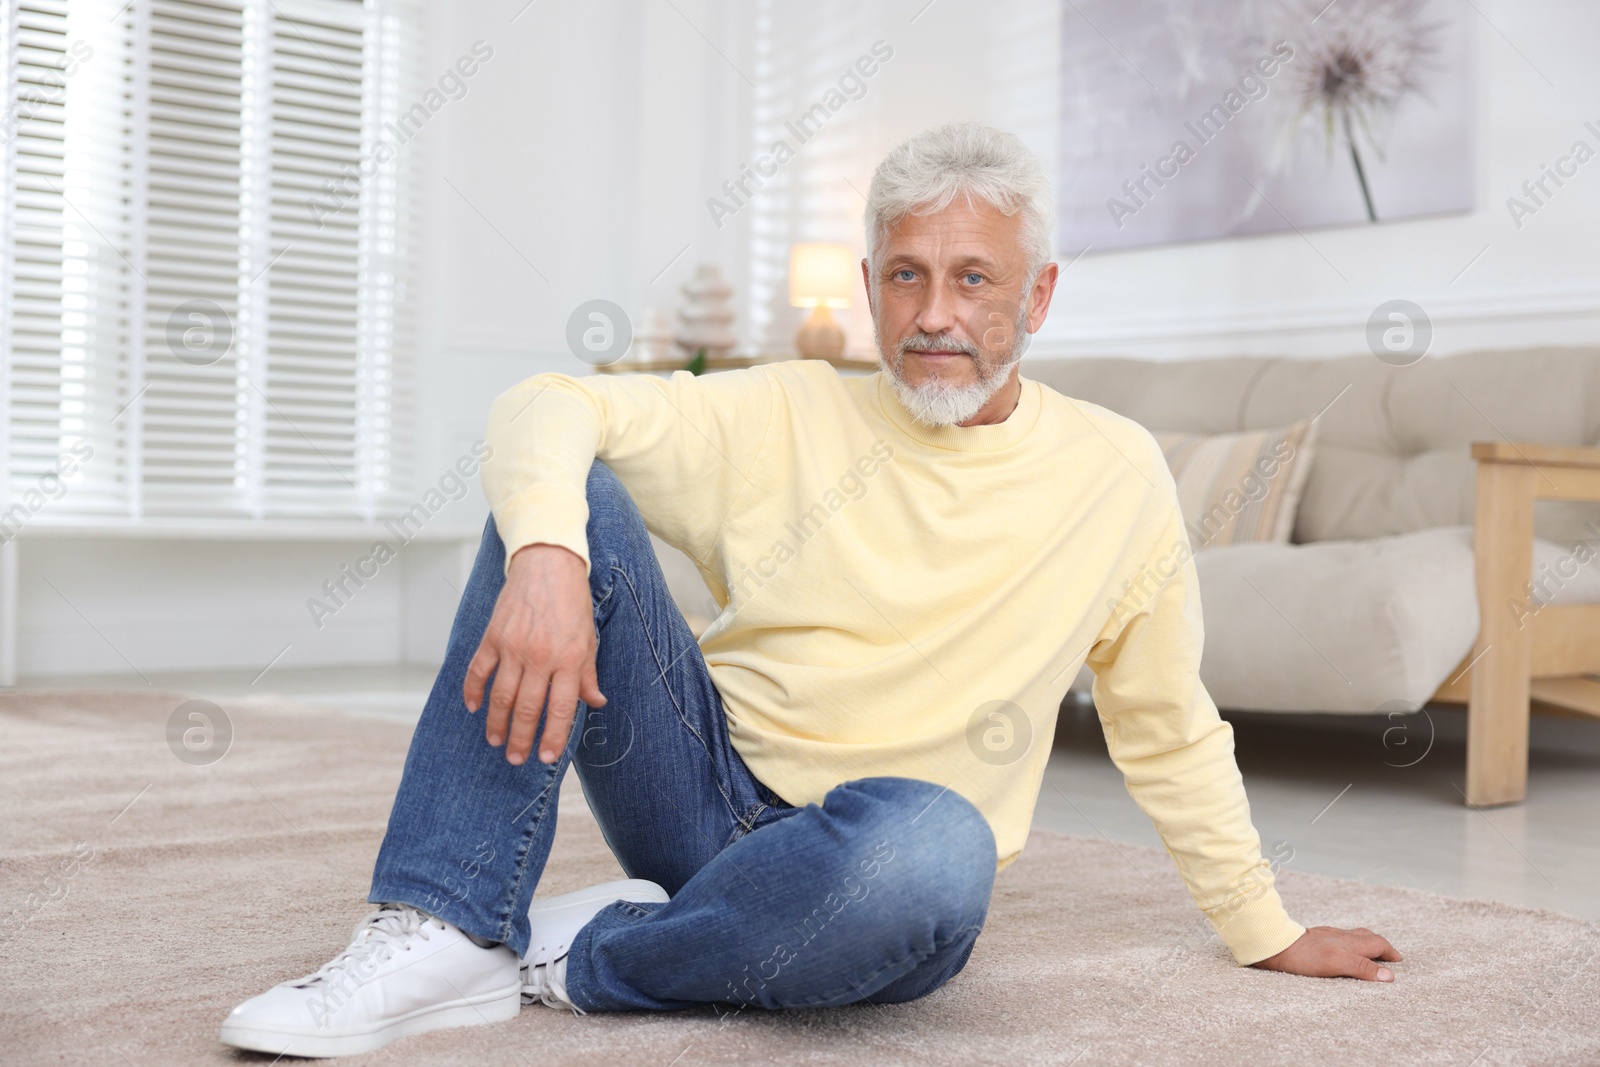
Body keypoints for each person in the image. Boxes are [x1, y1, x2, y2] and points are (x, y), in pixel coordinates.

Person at [221, 122, 1400, 1058]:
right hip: (697, 783)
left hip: (874, 855)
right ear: (872, 283)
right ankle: (434, 926)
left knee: (941, 853)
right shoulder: (787, 402)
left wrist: (1265, 928)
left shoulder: (1116, 471)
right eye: (907, 275)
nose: (935, 314)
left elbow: (1165, 722)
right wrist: (545, 557)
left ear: (1037, 297)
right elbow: (547, 400)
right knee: (564, 500)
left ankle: (579, 957)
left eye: (973, 279)